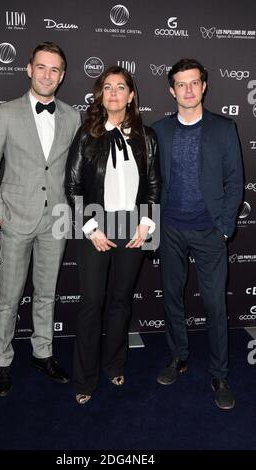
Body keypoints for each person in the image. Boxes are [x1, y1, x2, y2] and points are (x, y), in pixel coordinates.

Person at [0, 42, 81, 396]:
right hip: (16, 220)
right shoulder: (6, 113)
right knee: (9, 296)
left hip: (56, 221)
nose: (47, 74)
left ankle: (42, 352)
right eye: (42, 67)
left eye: (55, 69)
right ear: (29, 69)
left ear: (62, 76)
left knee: (47, 294)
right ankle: (2, 361)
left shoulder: (72, 116)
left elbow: (71, 170)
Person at [65, 65, 160, 404]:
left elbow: (153, 185)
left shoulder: (146, 137)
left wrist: (146, 225)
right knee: (92, 303)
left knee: (121, 301)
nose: (115, 93)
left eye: (121, 87)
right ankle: (85, 380)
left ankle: (115, 363)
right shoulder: (87, 134)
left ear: (131, 96)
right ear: (100, 95)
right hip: (95, 226)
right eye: (108, 87)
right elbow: (73, 185)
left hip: (133, 226)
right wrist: (90, 227)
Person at [151, 58, 243, 410]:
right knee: (171, 297)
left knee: (215, 304)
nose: (188, 90)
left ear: (204, 86)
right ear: (171, 90)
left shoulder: (224, 128)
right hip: (170, 228)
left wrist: (223, 228)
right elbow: (149, 181)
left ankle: (219, 373)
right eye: (181, 84)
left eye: (194, 83)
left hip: (208, 231)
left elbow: (235, 181)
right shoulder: (158, 129)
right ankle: (179, 356)